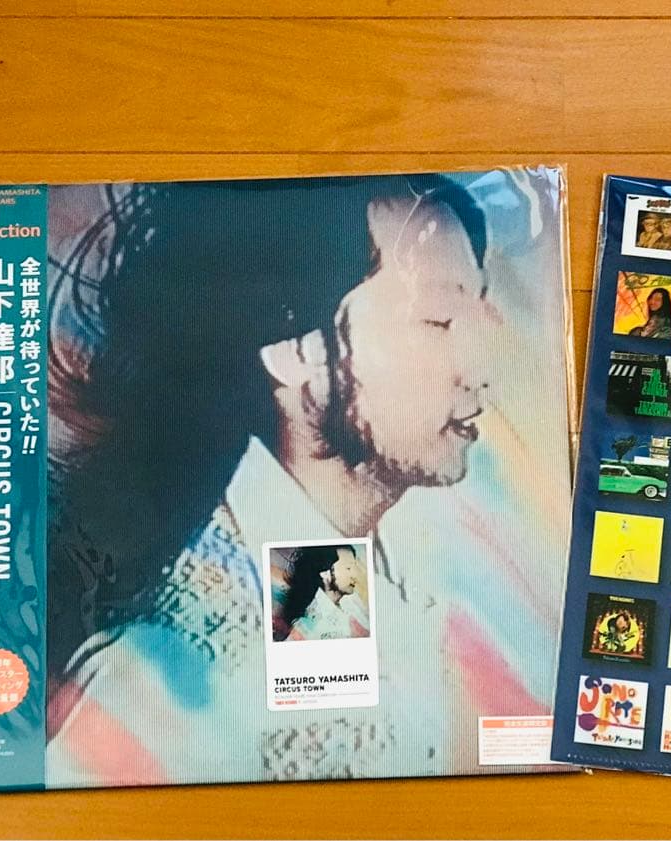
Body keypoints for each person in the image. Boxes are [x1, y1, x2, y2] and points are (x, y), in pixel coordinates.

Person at [42, 174, 549, 785]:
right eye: (439, 321)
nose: (480, 367)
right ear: (296, 353)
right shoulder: (160, 679)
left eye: (476, 316)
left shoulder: (329, 568)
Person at [271, 544, 368, 642]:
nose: (355, 575)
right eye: (348, 568)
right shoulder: (309, 624)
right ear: (325, 574)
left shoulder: (350, 605)